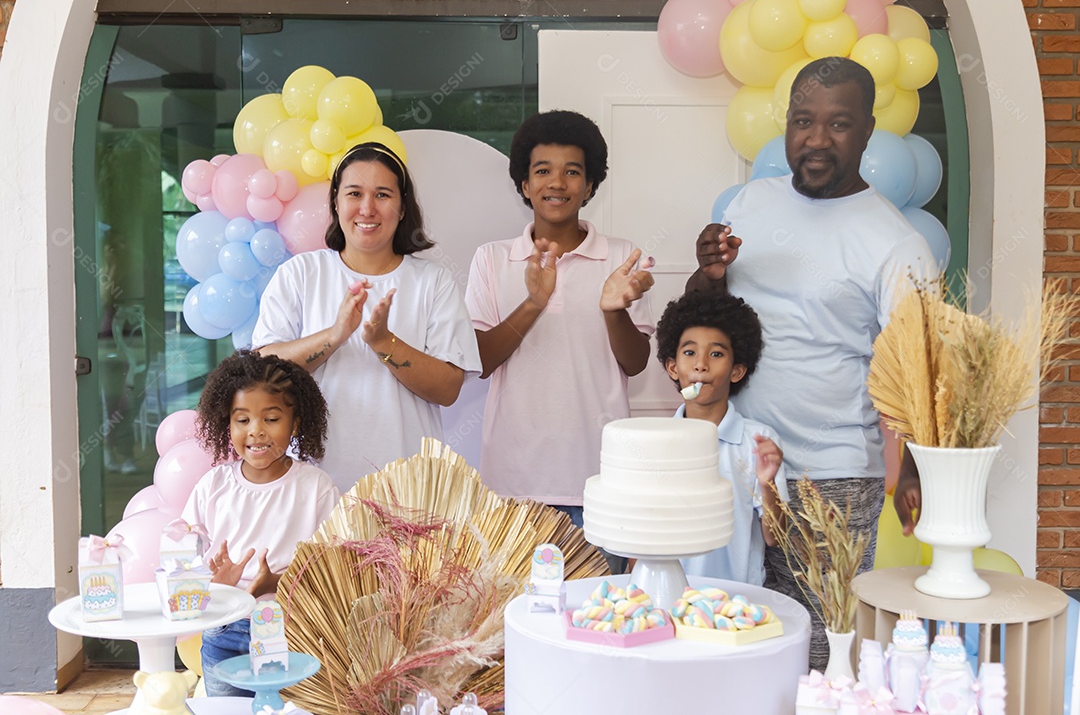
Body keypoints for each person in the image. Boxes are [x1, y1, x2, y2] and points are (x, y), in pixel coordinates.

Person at [687, 57, 937, 669]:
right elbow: (706, 321)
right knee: (725, 633)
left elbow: (919, 371)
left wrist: (913, 472)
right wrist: (709, 274)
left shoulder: (896, 242)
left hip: (831, 477)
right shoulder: (751, 203)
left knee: (821, 648)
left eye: (839, 124)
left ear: (869, 130)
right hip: (734, 462)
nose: (817, 139)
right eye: (804, 121)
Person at [465, 110, 655, 548]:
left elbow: (637, 363)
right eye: (543, 171)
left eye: (572, 172)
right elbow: (482, 361)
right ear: (524, 185)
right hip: (513, 487)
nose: (557, 183)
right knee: (512, 617)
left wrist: (613, 309)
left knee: (596, 615)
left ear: (589, 186)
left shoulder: (622, 257)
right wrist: (535, 301)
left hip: (601, 481)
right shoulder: (492, 259)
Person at [253, 142, 482, 492]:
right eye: (354, 193)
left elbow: (448, 389)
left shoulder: (432, 281)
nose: (367, 208)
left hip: (409, 489)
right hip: (314, 490)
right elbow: (264, 373)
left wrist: (383, 342)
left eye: (383, 195)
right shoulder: (300, 273)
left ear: (403, 207)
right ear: (335, 202)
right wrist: (334, 336)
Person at [183, 350, 338, 697]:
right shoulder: (213, 485)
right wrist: (212, 582)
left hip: (291, 631)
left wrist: (279, 581)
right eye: (242, 420)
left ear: (295, 423)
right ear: (227, 423)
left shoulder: (315, 487)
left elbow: (335, 564)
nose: (256, 431)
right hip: (223, 631)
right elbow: (183, 552)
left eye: (271, 419)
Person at [656, 290, 787, 585]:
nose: (701, 365)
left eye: (716, 354)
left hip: (737, 600)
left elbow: (775, 537)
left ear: (737, 371)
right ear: (673, 368)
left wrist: (767, 484)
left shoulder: (758, 440)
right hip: (669, 596)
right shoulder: (657, 441)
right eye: (690, 353)